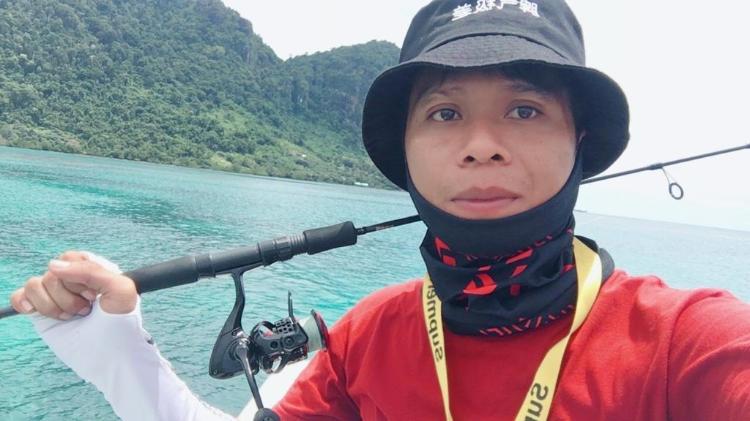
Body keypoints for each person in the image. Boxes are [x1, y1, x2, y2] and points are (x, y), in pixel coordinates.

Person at [10, 1, 750, 420]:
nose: (481, 146)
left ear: (579, 142)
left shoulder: (688, 341)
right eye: (445, 113)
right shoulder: (365, 339)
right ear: (405, 151)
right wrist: (119, 356)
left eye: (525, 109)